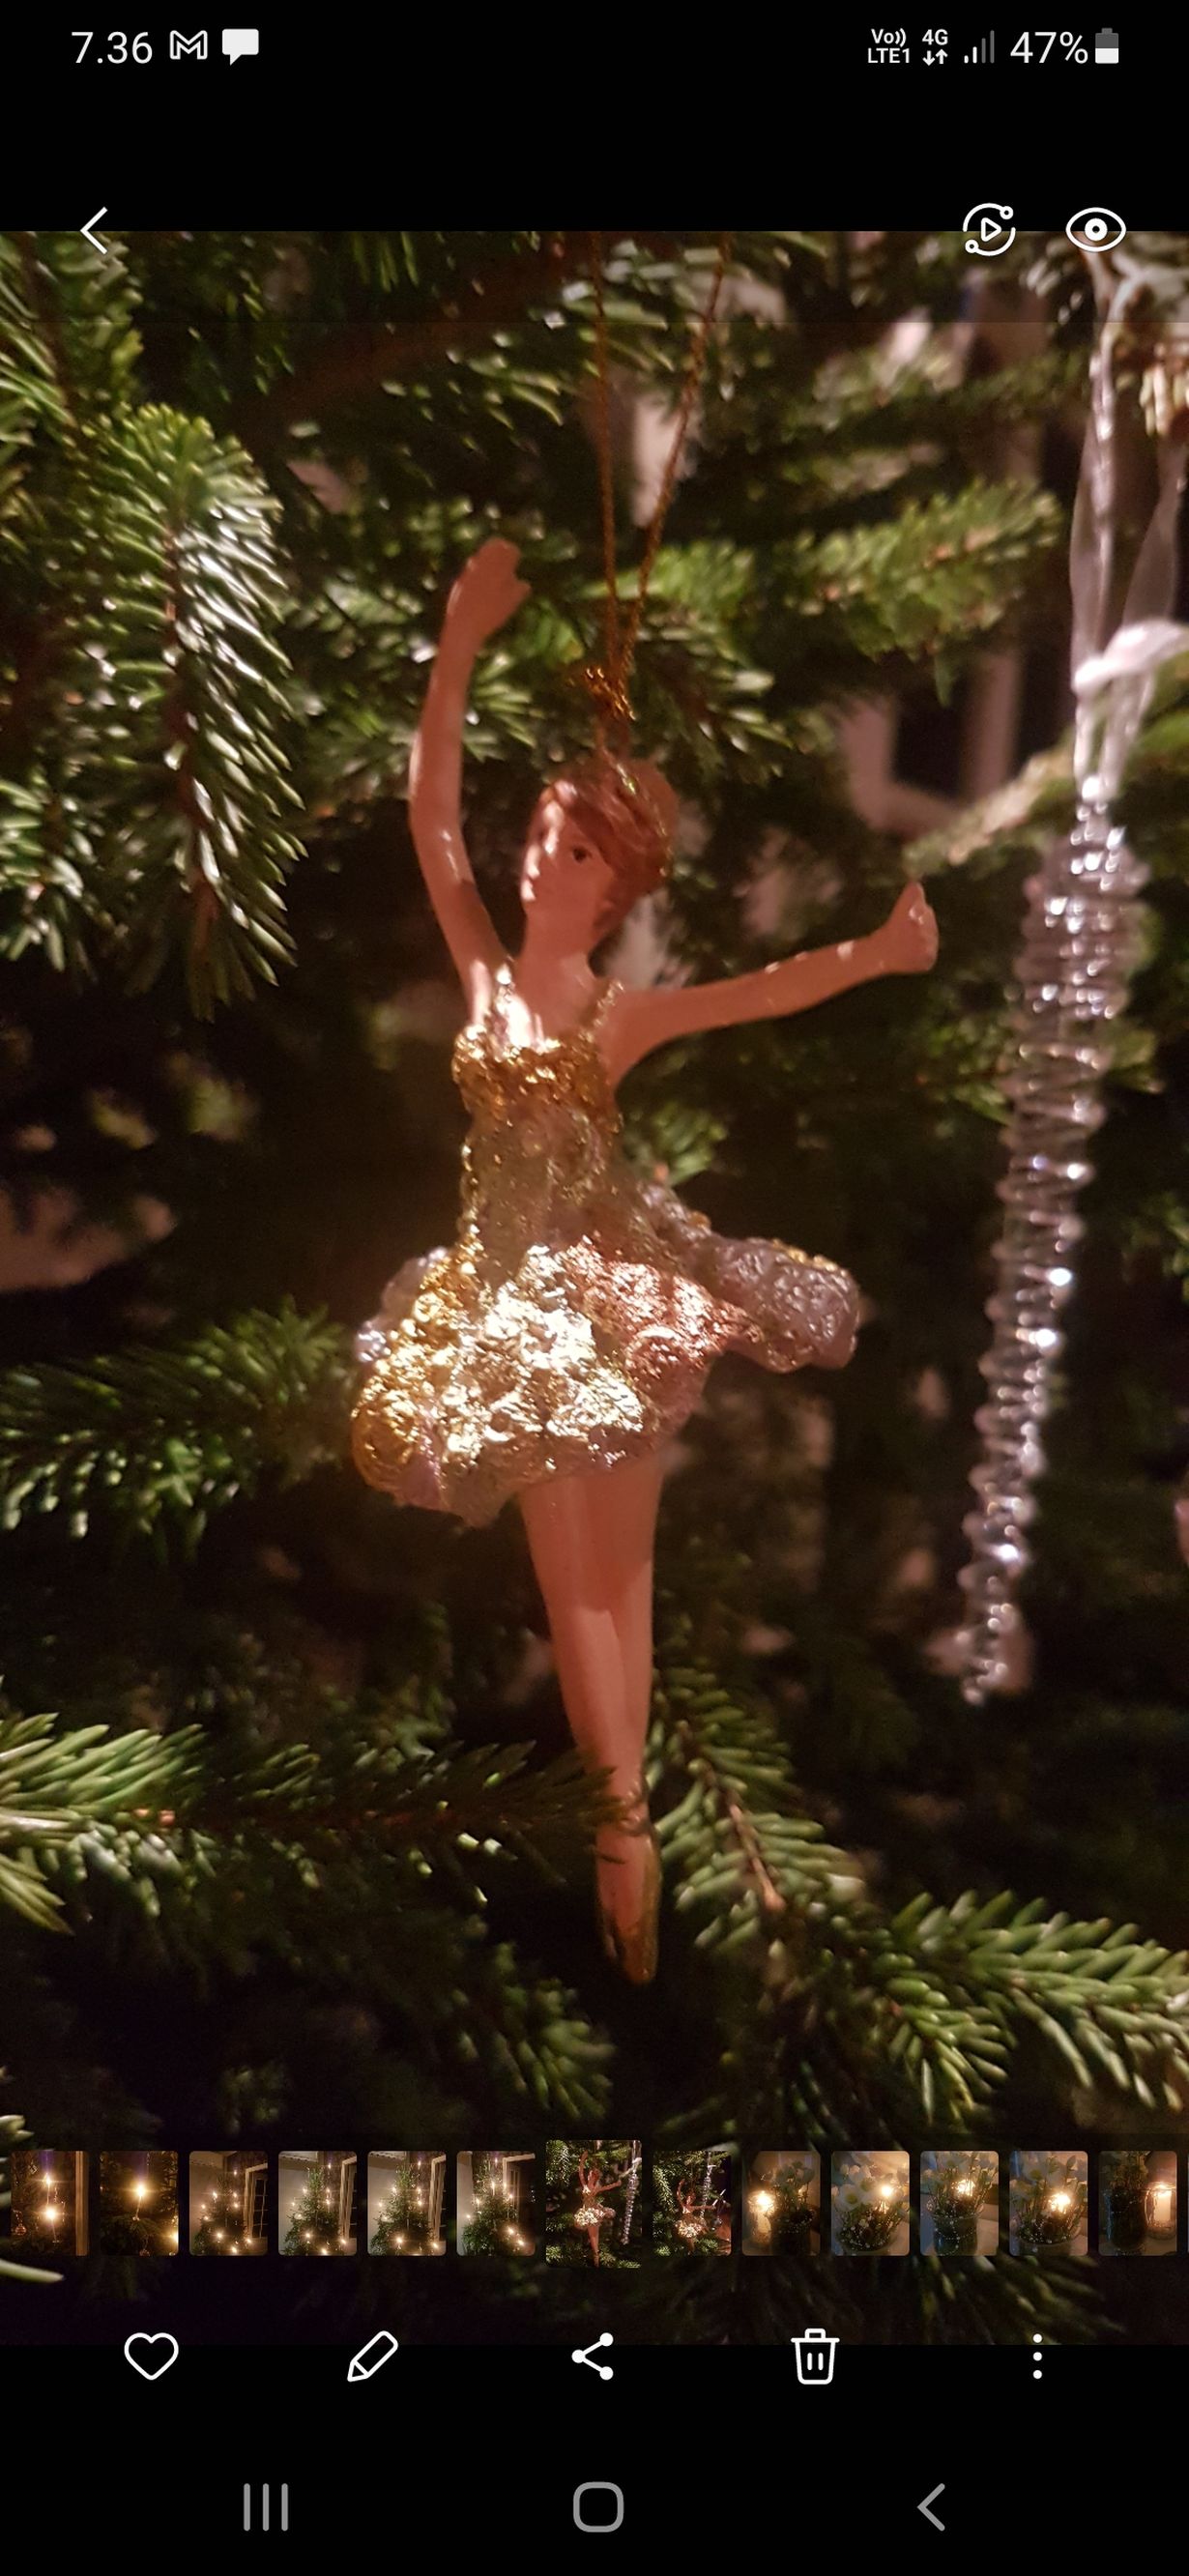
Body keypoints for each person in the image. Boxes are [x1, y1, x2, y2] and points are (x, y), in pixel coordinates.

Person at [353, 539, 939, 1980]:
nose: (540, 859)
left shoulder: (615, 1015)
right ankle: (627, 1832)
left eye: (575, 851)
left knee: (617, 1576)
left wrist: (875, 955)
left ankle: (625, 1833)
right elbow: (430, 814)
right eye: (546, 833)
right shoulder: (485, 970)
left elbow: (756, 991)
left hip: (599, 1293)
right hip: (504, 1307)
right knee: (574, 1584)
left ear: (613, 891)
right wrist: (457, 639)